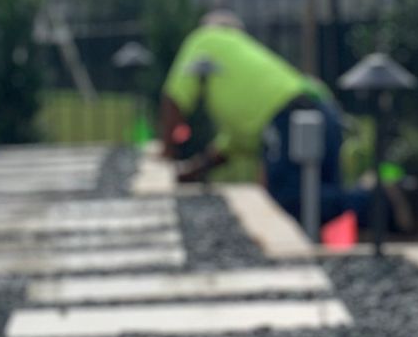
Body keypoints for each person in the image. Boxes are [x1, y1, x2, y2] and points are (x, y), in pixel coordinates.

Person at [158, 12, 369, 224]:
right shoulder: (245, 77)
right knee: (322, 201)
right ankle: (379, 203)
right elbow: (227, 148)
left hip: (290, 114)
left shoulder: (204, 38)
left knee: (290, 200)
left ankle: (379, 199)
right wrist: (193, 171)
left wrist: (167, 153)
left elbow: (174, 98)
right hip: (322, 110)